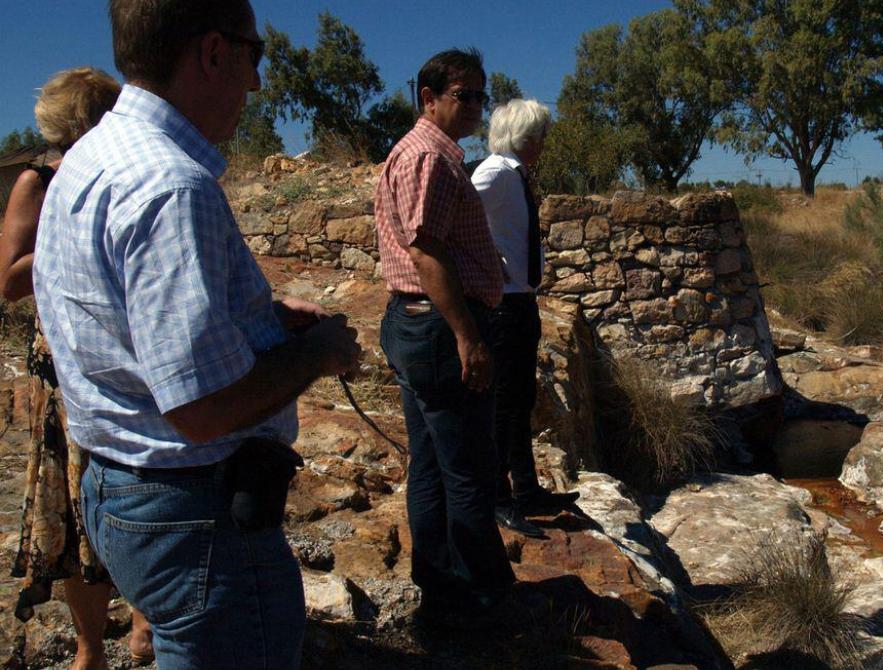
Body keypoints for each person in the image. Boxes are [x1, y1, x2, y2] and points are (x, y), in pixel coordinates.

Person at [33, 1, 362, 667]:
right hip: (195, 513)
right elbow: (200, 407)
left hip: (120, 489)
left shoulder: (93, 156)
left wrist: (262, 323)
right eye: (254, 57)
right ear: (213, 53)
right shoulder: (170, 186)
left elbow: (126, 326)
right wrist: (316, 353)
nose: (258, 84)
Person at [1, 66, 154, 670]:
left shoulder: (121, 174)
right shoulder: (38, 184)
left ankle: (145, 625)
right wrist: (73, 233)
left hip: (123, 353)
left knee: (139, 490)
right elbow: (9, 280)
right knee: (69, 512)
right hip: (62, 363)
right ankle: (90, 647)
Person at [375, 48, 515, 623]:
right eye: (466, 95)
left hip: (420, 324)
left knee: (431, 466)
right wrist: (467, 336)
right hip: (438, 328)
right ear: (428, 98)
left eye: (483, 94)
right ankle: (480, 599)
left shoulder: (425, 154)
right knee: (467, 472)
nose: (477, 105)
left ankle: (441, 590)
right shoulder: (429, 158)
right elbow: (426, 251)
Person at [470, 100, 579, 539]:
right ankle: (498, 498)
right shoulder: (494, 172)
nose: (542, 144)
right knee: (502, 405)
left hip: (521, 300)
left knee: (519, 400)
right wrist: (483, 258)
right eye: (538, 136)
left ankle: (527, 489)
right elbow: (457, 211)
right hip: (502, 306)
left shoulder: (514, 173)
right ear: (521, 136)